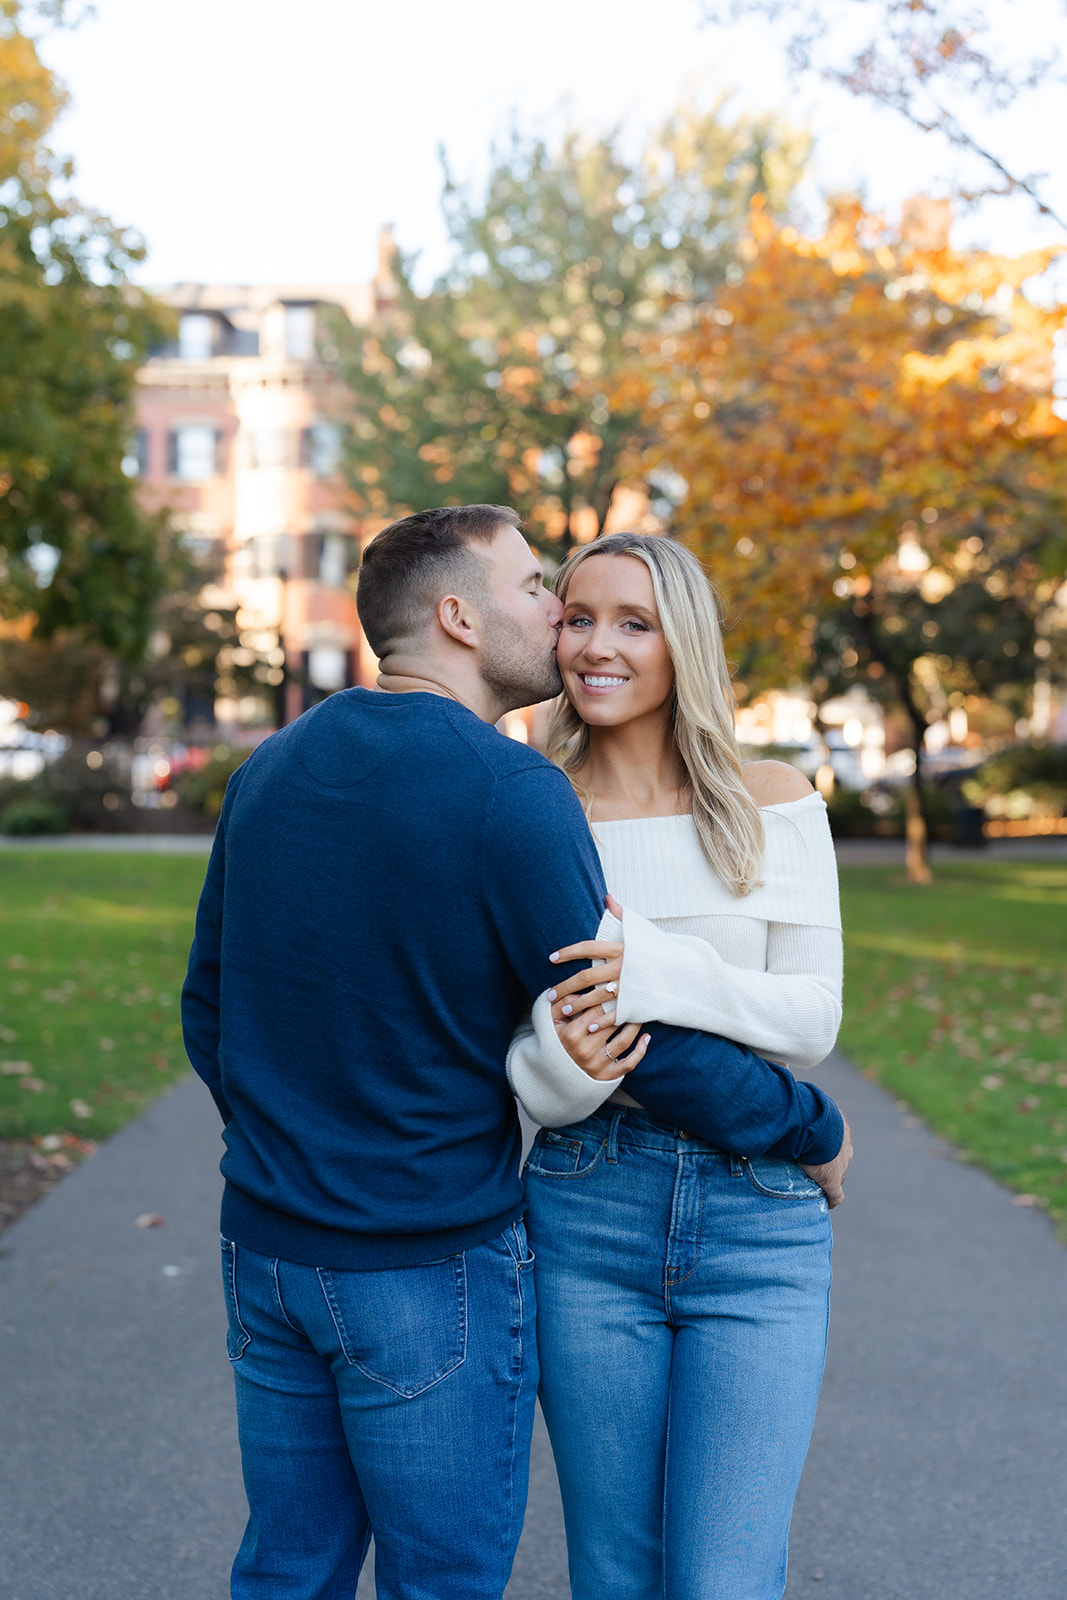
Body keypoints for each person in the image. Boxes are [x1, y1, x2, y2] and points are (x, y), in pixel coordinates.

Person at [181, 504, 847, 1600]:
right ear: (456, 614)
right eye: (540, 589)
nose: (559, 622)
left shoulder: (271, 766)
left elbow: (211, 1005)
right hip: (427, 1254)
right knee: (443, 1579)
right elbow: (630, 1040)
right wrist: (808, 1123)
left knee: (288, 1566)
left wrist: (288, 1146)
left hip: (266, 1249)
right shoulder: (512, 789)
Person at [508, 531, 850, 1600]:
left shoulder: (772, 798)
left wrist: (644, 968)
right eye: (575, 617)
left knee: (723, 1576)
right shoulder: (529, 806)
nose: (594, 646)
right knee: (614, 1572)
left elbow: (807, 1020)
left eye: (631, 621)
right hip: (583, 1203)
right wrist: (563, 1072)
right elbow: (524, 1056)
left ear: (680, 644)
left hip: (758, 1219)